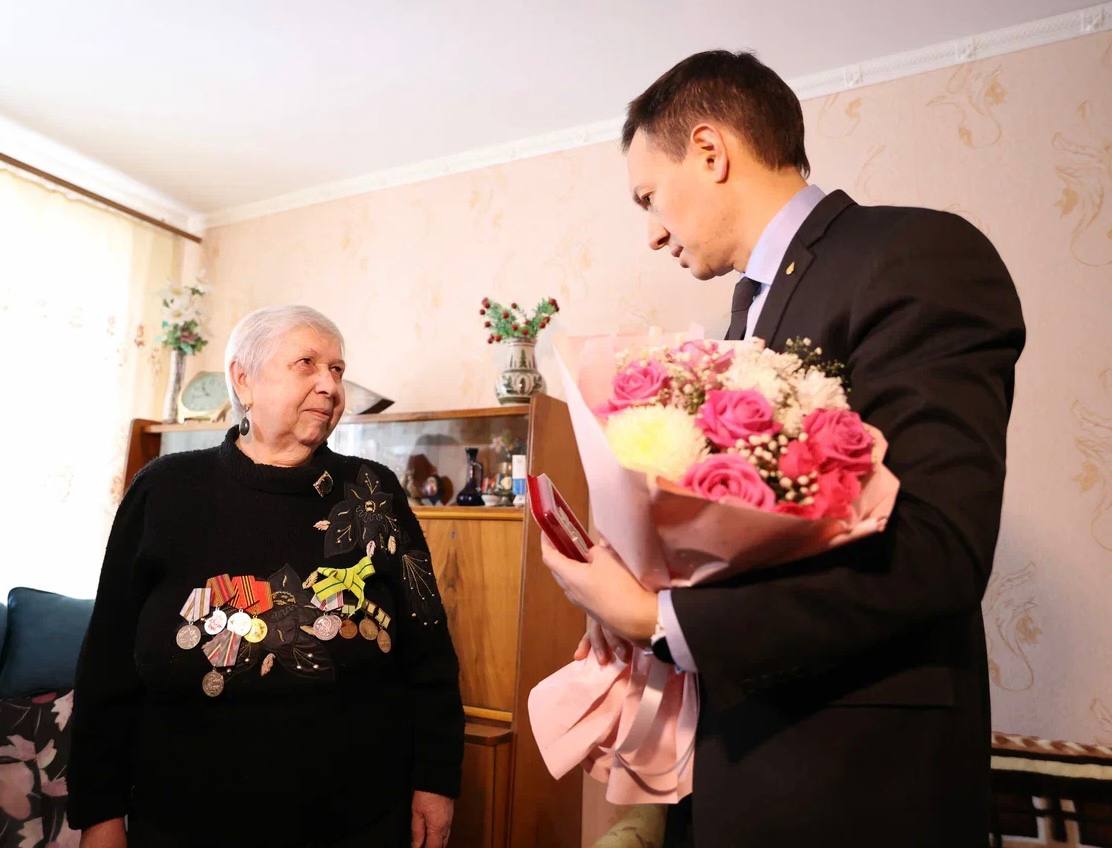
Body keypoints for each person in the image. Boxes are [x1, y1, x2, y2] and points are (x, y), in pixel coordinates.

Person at [540, 50, 1025, 846]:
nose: (652, 233)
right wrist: (638, 590)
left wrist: (663, 618)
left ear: (709, 150)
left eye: (647, 198)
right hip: (735, 762)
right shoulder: (743, 320)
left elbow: (936, 551)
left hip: (853, 783)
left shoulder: (913, 255)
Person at [68, 305, 463, 848]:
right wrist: (100, 813)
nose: (330, 385)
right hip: (185, 821)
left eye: (337, 370)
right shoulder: (165, 491)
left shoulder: (373, 492)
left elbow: (429, 648)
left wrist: (437, 780)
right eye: (307, 364)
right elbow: (107, 662)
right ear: (243, 380)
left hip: (359, 818)